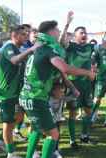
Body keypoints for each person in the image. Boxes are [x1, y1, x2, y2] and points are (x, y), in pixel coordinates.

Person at [19, 20, 95, 158]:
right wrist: (88, 73)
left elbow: (59, 72)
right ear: (51, 32)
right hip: (36, 97)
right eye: (57, 30)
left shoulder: (39, 47)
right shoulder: (48, 49)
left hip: (27, 96)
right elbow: (65, 68)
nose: (59, 32)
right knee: (53, 134)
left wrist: (71, 87)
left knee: (36, 129)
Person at [0, 25, 39, 158]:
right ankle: (11, 153)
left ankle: (2, 141)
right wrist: (31, 49)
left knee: (19, 118)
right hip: (6, 93)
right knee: (8, 123)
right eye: (23, 34)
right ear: (14, 35)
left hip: (17, 93)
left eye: (26, 34)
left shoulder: (18, 49)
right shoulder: (9, 47)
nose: (26, 36)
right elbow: (14, 60)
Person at [60, 11, 98, 148]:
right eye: (81, 32)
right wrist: (67, 24)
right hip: (73, 84)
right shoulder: (71, 46)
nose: (84, 34)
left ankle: (84, 136)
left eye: (85, 32)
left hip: (86, 85)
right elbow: (61, 41)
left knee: (88, 110)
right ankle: (72, 140)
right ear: (75, 36)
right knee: (73, 113)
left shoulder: (90, 47)